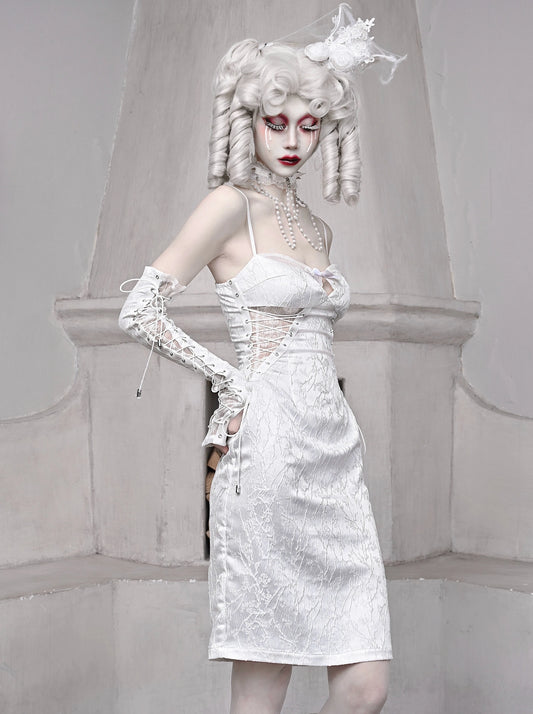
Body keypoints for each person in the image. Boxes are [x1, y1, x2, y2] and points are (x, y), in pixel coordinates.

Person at [118, 5, 405, 713]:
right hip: (266, 453)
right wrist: (229, 380)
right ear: (247, 120)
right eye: (277, 123)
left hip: (333, 453)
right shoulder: (228, 206)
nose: (293, 141)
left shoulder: (316, 226)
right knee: (262, 685)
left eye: (309, 125)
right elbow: (139, 310)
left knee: (364, 687)